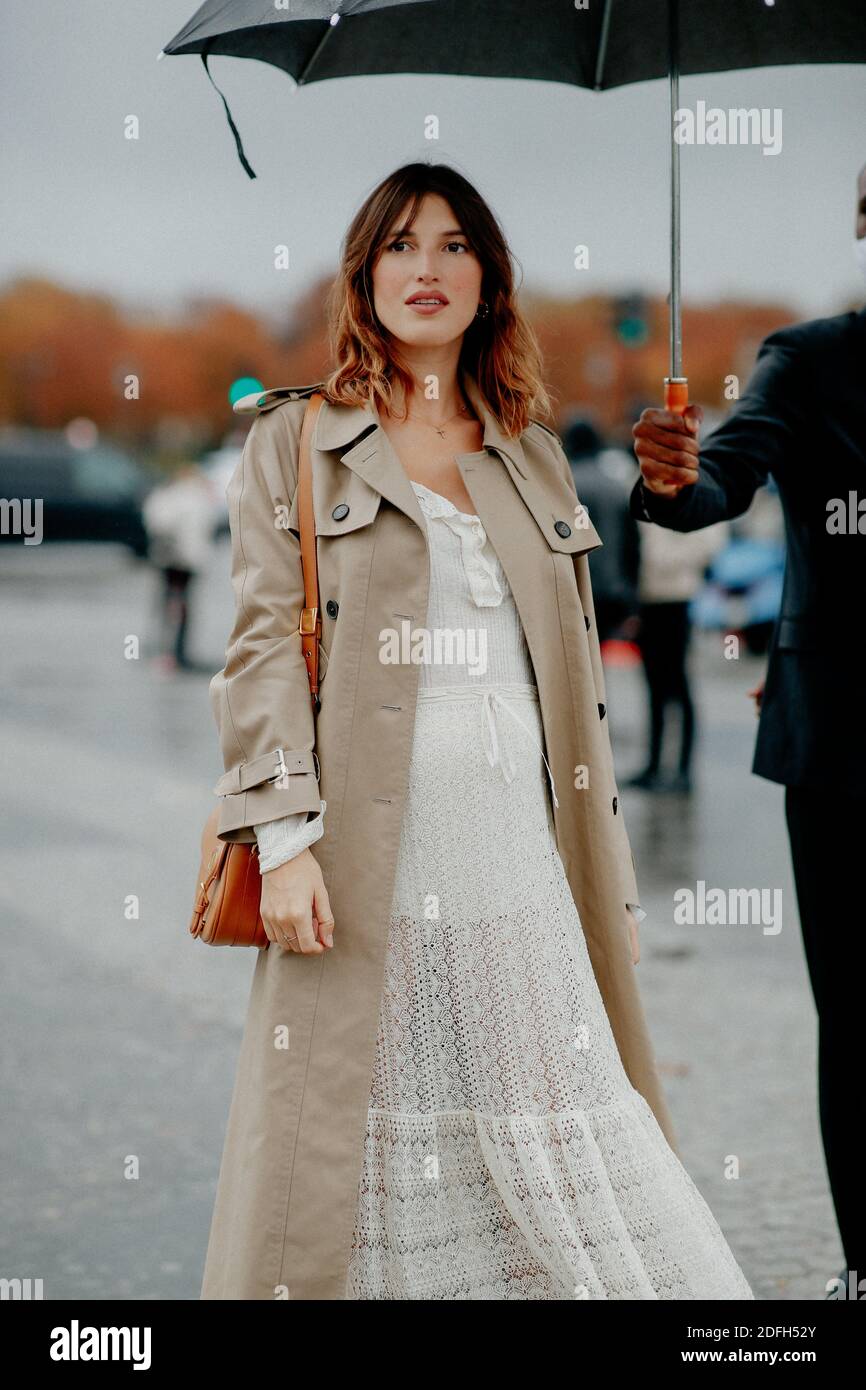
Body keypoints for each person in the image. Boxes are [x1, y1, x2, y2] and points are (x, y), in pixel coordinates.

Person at [201, 162, 753, 1301]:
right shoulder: (297, 442)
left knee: (556, 1117)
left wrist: (670, 479)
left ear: (488, 279)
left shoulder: (529, 450)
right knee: (357, 1147)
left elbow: (567, 686)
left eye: (454, 246)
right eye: (401, 245)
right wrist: (284, 841)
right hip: (361, 854)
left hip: (516, 855)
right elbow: (258, 647)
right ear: (364, 273)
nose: (427, 269)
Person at [629, 163, 866, 1291]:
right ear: (863, 220)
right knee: (858, 1018)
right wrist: (671, 480)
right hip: (844, 746)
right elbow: (716, 478)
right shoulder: (807, 359)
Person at [627, 519, 729, 793]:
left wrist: (664, 559)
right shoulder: (644, 493)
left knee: (678, 684)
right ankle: (654, 765)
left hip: (677, 598)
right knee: (653, 685)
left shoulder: (688, 496)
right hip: (646, 597)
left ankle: (683, 771)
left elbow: (710, 543)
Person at [561, 417, 640, 643]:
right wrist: (630, 595)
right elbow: (632, 545)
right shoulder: (616, 488)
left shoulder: (563, 486)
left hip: (574, 587)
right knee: (599, 658)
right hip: (611, 589)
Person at [142, 463, 216, 670]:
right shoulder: (198, 496)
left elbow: (156, 520)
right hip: (189, 559)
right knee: (183, 604)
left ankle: (164, 649)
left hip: (169, 557)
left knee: (167, 602)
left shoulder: (168, 494)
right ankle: (178, 651)